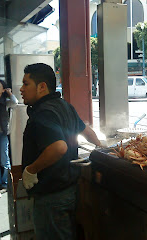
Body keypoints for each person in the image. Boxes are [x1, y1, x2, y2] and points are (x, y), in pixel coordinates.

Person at [20, 63, 101, 240]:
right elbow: (86, 131)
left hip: (51, 197)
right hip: (69, 191)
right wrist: (102, 148)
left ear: (42, 87)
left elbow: (59, 147)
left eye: (26, 84)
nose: (21, 89)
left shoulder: (43, 113)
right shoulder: (64, 105)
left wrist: (30, 170)